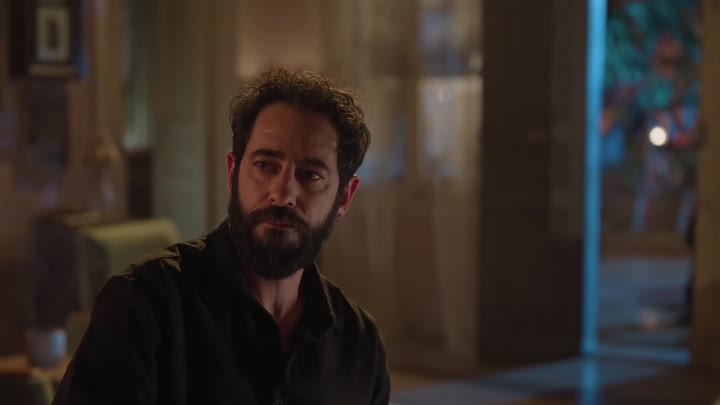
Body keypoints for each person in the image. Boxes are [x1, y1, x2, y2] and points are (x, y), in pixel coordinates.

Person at [52, 68, 390, 405]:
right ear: (233, 173)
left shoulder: (360, 347)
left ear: (344, 198)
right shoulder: (143, 307)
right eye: (265, 165)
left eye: (310, 175)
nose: (282, 192)